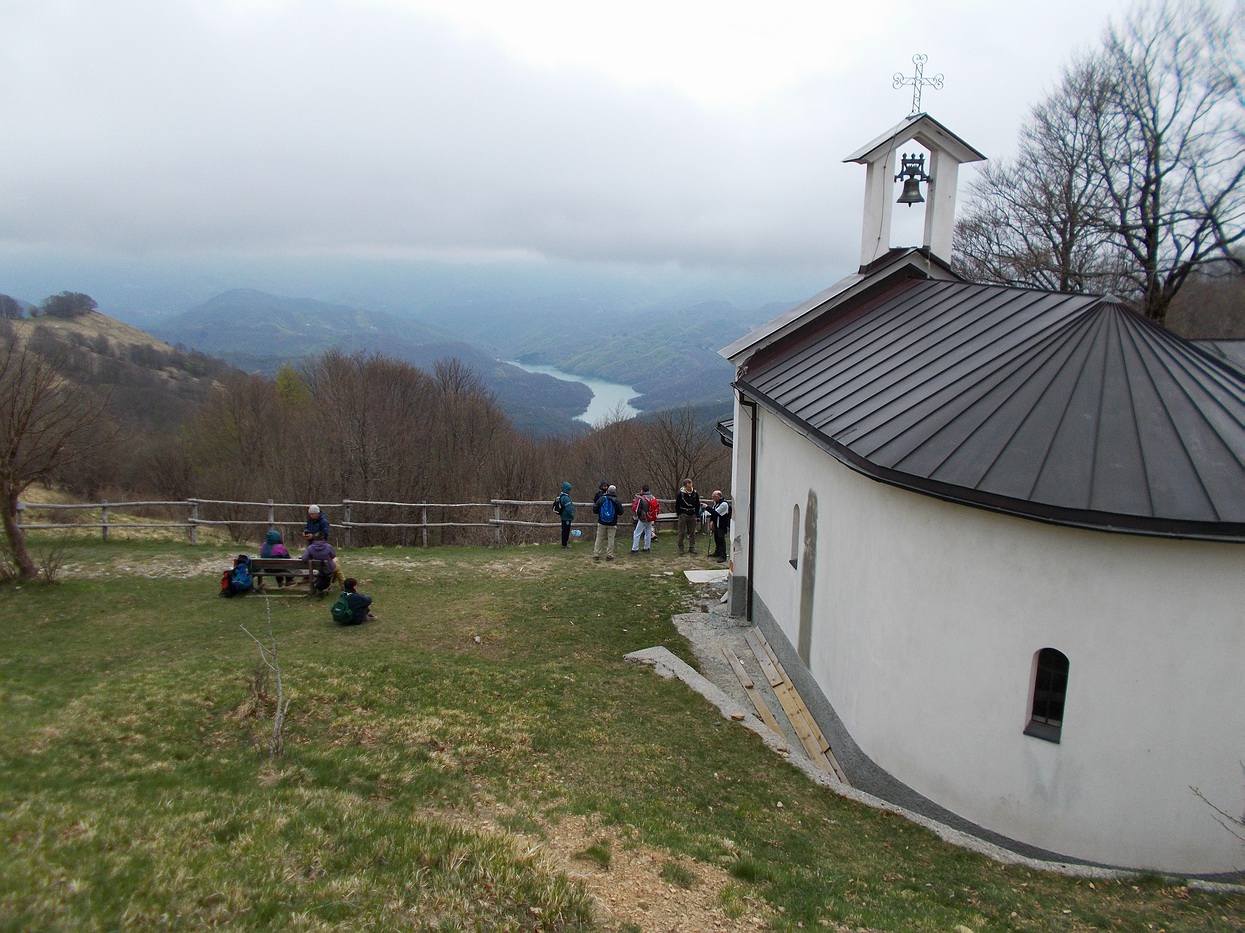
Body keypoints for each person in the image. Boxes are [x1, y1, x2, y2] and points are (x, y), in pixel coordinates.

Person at [592, 483, 622, 561]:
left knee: (599, 538)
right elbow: (621, 512)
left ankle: (596, 554)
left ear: (608, 491)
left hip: (602, 521)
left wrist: (600, 513)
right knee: (611, 538)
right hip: (612, 522)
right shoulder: (616, 500)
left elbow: (594, 509)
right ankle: (609, 555)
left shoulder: (602, 499)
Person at [630, 484, 659, 554]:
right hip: (651, 517)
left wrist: (639, 516)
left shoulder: (642, 498)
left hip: (643, 518)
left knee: (637, 533)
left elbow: (637, 509)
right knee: (648, 532)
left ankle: (635, 549)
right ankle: (647, 548)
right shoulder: (653, 497)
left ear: (642, 490)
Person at [675, 478, 701, 555]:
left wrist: (696, 514)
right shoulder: (681, 494)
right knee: (681, 532)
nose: (690, 487)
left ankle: (692, 547)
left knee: (692, 532)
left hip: (692, 514)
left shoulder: (695, 493)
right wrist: (679, 514)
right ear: (685, 486)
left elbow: (697, 504)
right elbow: (677, 504)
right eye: (688, 486)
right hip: (683, 514)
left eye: (691, 486)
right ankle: (681, 548)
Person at [707, 490, 731, 562]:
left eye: (714, 496)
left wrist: (707, 507)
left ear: (719, 496)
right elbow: (713, 513)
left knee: (721, 540)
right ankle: (717, 552)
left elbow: (716, 513)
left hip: (721, 524)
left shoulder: (724, 504)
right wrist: (712, 521)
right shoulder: (716, 503)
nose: (713, 498)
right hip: (716, 524)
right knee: (716, 539)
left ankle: (723, 556)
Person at [555, 481, 575, 547]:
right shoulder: (566, 498)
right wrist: (572, 515)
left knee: (564, 530)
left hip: (563, 516)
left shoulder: (561, 496)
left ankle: (564, 543)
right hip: (567, 517)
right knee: (566, 530)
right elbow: (568, 509)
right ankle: (564, 544)